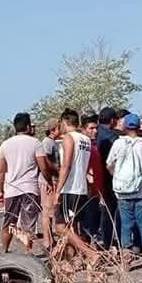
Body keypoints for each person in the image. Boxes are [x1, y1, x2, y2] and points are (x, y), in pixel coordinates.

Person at [106, 113, 142, 259]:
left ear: (125, 126)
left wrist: (117, 176)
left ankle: (126, 254)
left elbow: (109, 164)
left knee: (126, 224)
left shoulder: (118, 143)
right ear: (139, 126)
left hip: (122, 191)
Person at [0, 113, 51, 253]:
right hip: (30, 189)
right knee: (28, 223)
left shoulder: (5, 145)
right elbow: (43, 166)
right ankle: (27, 253)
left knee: (9, 222)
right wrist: (49, 181)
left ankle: (5, 251)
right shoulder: (35, 143)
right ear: (27, 126)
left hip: (11, 189)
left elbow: (1, 171)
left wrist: (0, 190)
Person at [53, 109, 99, 261]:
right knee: (73, 226)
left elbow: (66, 165)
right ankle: (74, 259)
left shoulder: (69, 138)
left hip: (70, 188)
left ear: (64, 122)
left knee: (61, 228)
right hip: (82, 187)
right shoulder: (85, 139)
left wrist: (57, 190)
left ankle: (90, 253)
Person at [96, 107, 120, 248]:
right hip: (110, 177)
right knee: (112, 210)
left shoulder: (94, 133)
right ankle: (111, 241)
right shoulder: (113, 137)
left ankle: (104, 240)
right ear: (112, 120)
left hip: (96, 177)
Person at [80, 113, 104, 244]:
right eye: (91, 128)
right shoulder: (83, 147)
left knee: (95, 222)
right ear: (83, 129)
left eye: (96, 128)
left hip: (97, 191)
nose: (95, 131)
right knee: (87, 225)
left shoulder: (95, 146)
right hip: (87, 191)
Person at [39, 123, 62, 249]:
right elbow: (45, 160)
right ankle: (47, 241)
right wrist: (54, 173)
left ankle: (50, 239)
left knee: (50, 211)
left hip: (52, 180)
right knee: (47, 212)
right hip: (49, 180)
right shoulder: (47, 142)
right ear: (53, 130)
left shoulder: (53, 142)